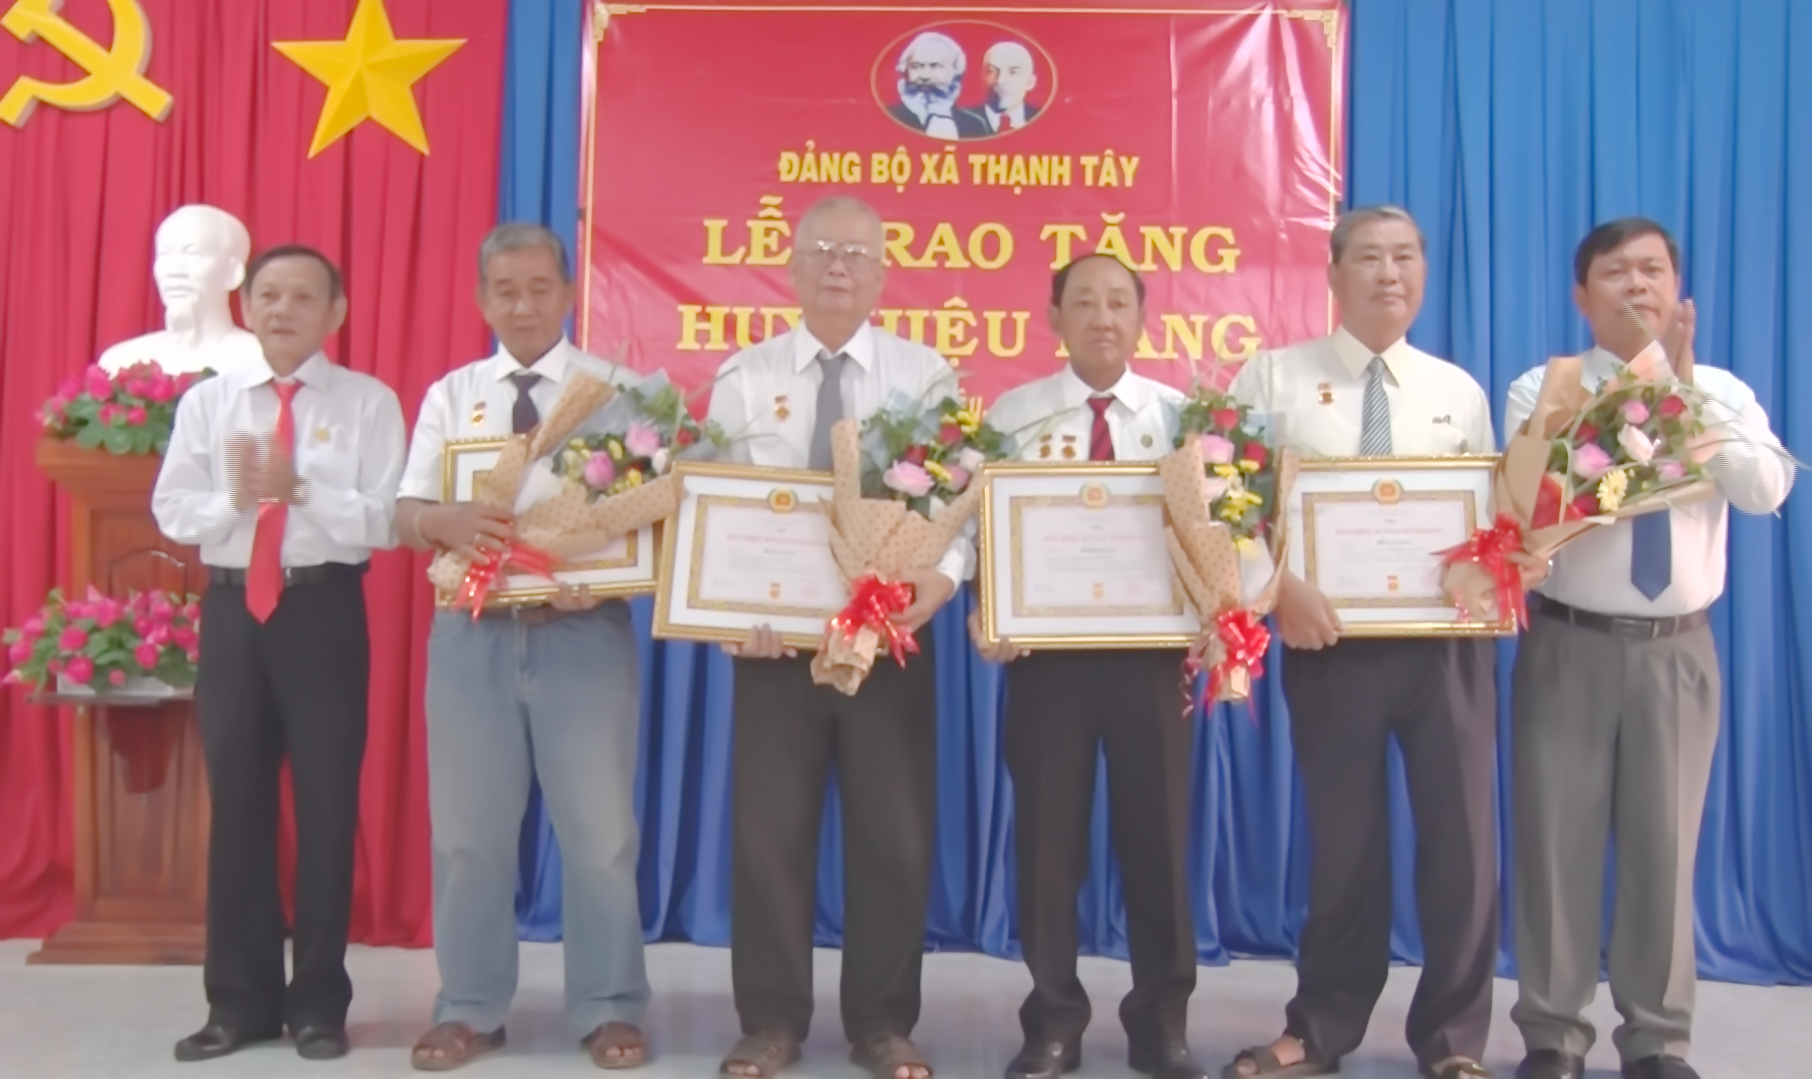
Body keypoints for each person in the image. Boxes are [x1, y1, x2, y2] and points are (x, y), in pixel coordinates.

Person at [1220, 206, 1510, 1079]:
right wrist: (1278, 589)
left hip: (1445, 648)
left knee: (1463, 846)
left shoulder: (1457, 390)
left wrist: (1488, 565)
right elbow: (1227, 504)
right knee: (1344, 845)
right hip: (1328, 642)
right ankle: (1320, 1027)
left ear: (1423, 272)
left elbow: (1492, 518)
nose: (1390, 273)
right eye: (1372, 257)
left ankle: (1455, 1040)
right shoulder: (1272, 377)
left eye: (1406, 257)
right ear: (1334, 273)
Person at [1503, 219, 1793, 1079]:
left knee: (1665, 849)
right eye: (1617, 271)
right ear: (1580, 294)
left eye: (1653, 269)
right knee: (1555, 845)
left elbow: (1765, 488)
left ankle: (1658, 1039)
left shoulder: (1721, 391)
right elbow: (1537, 497)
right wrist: (1638, 398)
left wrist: (1683, 395)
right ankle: (1552, 1034)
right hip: (1570, 643)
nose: (1638, 284)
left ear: (1677, 288)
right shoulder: (1543, 387)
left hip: (1677, 652)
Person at [706, 195, 968, 1079]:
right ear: (791, 264)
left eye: (856, 253)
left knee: (893, 837)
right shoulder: (744, 376)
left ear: (884, 272)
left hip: (887, 641)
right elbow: (713, 508)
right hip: (775, 646)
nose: (837, 267)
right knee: (768, 836)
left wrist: (943, 580)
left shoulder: (925, 376)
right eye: (819, 250)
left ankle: (883, 1022)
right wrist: (722, 612)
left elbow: (958, 503)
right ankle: (770, 1020)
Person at [394, 224, 652, 1072]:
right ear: (482, 300)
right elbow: (405, 511)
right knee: (468, 836)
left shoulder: (617, 392)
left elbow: (652, 515)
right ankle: (468, 1004)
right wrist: (444, 519)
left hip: (584, 634)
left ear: (568, 293)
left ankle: (609, 1006)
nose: (525, 304)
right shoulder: (453, 394)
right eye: (505, 289)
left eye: (541, 287)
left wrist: (605, 579)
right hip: (471, 636)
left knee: (601, 834)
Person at [153, 245, 406, 1062]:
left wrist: (302, 491)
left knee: (328, 805)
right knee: (238, 806)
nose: (282, 309)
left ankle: (320, 1003)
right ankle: (238, 1002)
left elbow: (387, 519)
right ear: (247, 306)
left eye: (302, 296)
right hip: (233, 613)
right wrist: (238, 495)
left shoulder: (369, 402)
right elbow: (172, 510)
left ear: (336, 312)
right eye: (268, 295)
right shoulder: (209, 402)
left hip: (323, 608)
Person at [976, 254, 1204, 1079]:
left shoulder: (1184, 419)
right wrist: (991, 605)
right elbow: (978, 529)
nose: (1102, 317)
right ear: (1054, 317)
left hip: (1154, 660)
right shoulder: (1013, 417)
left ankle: (1161, 1024)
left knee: (1160, 842)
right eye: (1084, 302)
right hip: (1048, 662)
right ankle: (1052, 1023)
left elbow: (1225, 533)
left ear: (1142, 319)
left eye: (1118, 302)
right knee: (1047, 844)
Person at [98, 204, 263, 375]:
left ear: (233, 273)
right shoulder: (120, 362)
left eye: (193, 254)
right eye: (165, 254)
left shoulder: (261, 360)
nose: (174, 271)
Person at [887, 31, 987, 139]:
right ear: (905, 71)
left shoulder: (974, 125)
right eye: (916, 66)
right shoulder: (888, 118)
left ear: (955, 72)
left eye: (935, 66)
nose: (925, 76)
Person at [960, 42, 1043, 134]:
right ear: (982, 77)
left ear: (1030, 82)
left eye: (1013, 72)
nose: (1000, 80)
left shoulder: (1045, 120)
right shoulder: (960, 122)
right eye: (992, 71)